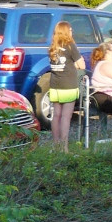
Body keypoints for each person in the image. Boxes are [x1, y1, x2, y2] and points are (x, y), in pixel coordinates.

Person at [47, 21, 86, 153]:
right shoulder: (70, 46)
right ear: (65, 31)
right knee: (65, 117)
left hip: (54, 85)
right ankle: (64, 147)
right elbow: (82, 65)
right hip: (68, 85)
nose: (71, 32)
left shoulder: (53, 47)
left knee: (56, 116)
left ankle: (55, 145)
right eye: (70, 30)